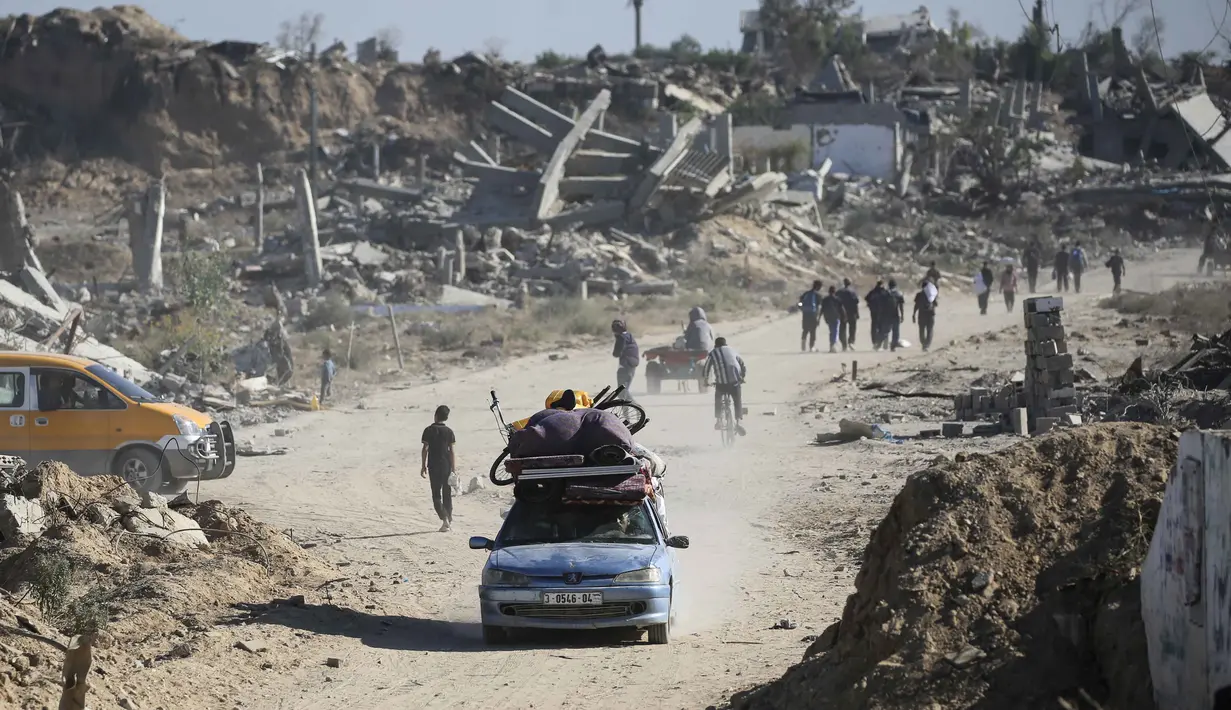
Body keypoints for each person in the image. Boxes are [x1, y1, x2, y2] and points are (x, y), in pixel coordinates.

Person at [421, 405, 456, 532]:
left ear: (435, 415)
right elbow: (452, 451)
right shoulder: (449, 432)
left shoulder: (428, 430)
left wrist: (423, 465)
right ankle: (449, 518)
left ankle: (444, 519)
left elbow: (425, 449)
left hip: (433, 465)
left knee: (436, 494)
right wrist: (453, 468)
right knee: (447, 493)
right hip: (446, 465)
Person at [703, 336, 747, 436]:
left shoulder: (713, 353)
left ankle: (719, 420)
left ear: (716, 345)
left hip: (721, 384)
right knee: (737, 400)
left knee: (718, 398)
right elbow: (742, 364)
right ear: (725, 344)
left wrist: (706, 381)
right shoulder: (732, 350)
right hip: (735, 383)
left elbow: (706, 369)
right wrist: (742, 377)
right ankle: (738, 421)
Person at [611, 320, 639, 396]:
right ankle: (630, 407)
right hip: (632, 365)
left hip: (625, 366)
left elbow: (616, 353)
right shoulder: (629, 336)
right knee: (623, 391)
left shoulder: (621, 338)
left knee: (621, 392)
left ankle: (634, 407)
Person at [797, 280, 823, 353]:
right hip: (813, 315)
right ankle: (812, 347)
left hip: (805, 314)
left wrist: (801, 308)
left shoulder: (806, 293)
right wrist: (819, 317)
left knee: (805, 329)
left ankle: (803, 344)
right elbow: (820, 307)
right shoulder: (818, 295)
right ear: (818, 287)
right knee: (813, 331)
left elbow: (799, 303)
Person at [911, 280, 936, 351]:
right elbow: (936, 304)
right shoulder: (932, 294)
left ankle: (924, 344)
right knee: (930, 330)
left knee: (921, 330)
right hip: (930, 315)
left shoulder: (919, 295)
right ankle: (927, 345)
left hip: (922, 314)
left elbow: (916, 305)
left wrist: (914, 314)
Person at [865, 280, 888, 350]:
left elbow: (866, 298)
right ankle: (883, 342)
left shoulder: (873, 292)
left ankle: (875, 342)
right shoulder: (885, 292)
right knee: (883, 328)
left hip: (874, 312)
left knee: (874, 328)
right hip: (883, 312)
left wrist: (870, 305)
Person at [837, 278, 860, 350]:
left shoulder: (839, 292)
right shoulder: (853, 292)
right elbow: (856, 303)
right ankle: (851, 342)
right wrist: (857, 313)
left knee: (842, 328)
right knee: (852, 328)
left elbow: (836, 302)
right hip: (851, 312)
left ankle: (844, 344)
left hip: (842, 312)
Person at [821, 285, 844, 353]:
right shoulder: (837, 299)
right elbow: (841, 309)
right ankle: (834, 345)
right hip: (836, 317)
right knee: (835, 331)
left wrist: (819, 317)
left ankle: (831, 345)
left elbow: (822, 309)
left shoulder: (825, 299)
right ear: (834, 291)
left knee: (832, 331)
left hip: (828, 317)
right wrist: (844, 316)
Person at [886, 279, 906, 351]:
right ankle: (893, 346)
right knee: (896, 331)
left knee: (886, 330)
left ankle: (883, 344)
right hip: (895, 314)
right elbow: (901, 306)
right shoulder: (898, 294)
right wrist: (902, 315)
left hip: (886, 315)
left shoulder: (886, 293)